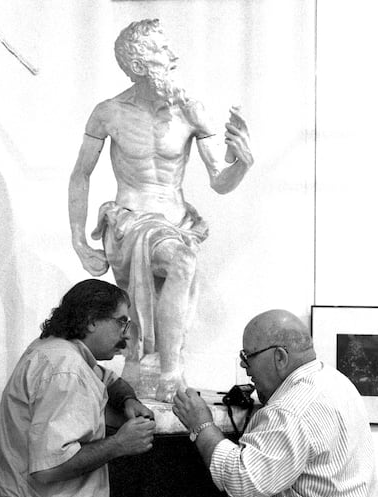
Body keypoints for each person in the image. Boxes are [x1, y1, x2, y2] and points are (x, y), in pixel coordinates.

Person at [68, 18, 253, 403]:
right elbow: (80, 176)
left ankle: (160, 364)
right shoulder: (109, 113)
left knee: (180, 262)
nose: (173, 56)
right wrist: (78, 241)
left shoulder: (191, 111)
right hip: (130, 223)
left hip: (176, 221)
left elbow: (220, 181)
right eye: (161, 50)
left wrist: (242, 164)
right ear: (138, 66)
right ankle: (168, 369)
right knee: (180, 263)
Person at [173, 309, 378, 497]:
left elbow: (243, 479)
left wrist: (201, 425)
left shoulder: (293, 409)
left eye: (248, 357)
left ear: (279, 357)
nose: (245, 367)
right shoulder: (332, 381)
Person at [0, 279, 155, 497]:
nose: (125, 337)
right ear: (91, 321)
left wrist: (127, 399)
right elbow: (49, 468)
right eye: (121, 322)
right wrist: (119, 445)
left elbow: (109, 380)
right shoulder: (67, 369)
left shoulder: (55, 352)